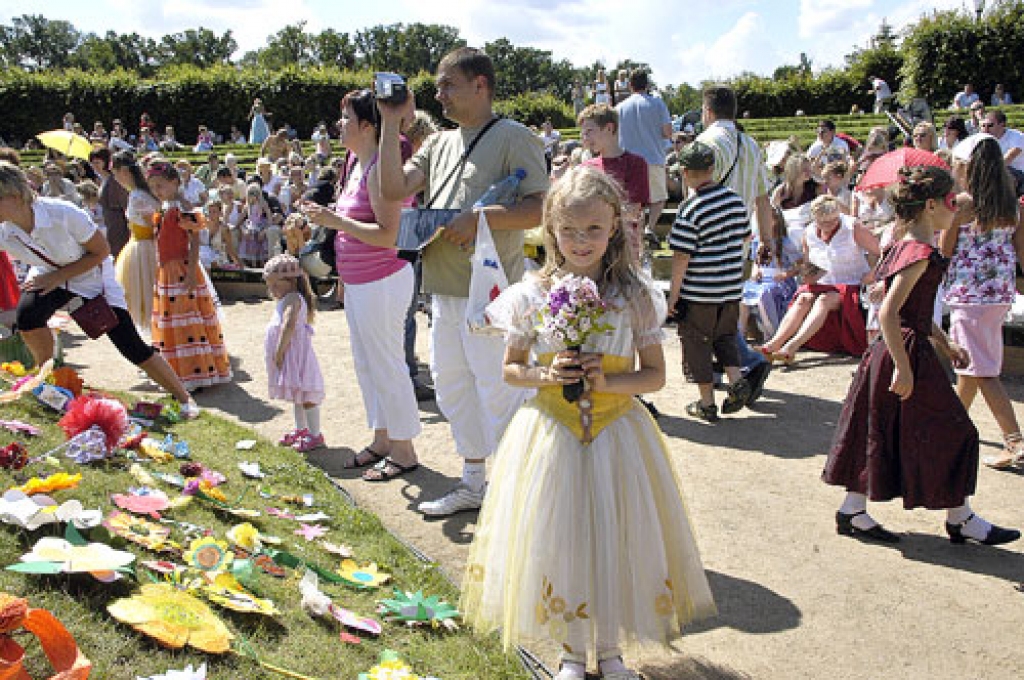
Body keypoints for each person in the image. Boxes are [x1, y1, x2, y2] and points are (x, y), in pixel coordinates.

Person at [460, 166, 716, 680]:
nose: (581, 241)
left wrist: (609, 379)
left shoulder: (634, 295)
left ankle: (611, 650)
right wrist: (549, 373)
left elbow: (655, 377)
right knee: (563, 543)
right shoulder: (530, 294)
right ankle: (572, 653)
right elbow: (512, 370)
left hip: (616, 434)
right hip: (552, 435)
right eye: (569, 230)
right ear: (551, 229)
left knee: (616, 540)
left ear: (614, 228)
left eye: (593, 230)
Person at [378, 46, 549, 517]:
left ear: (481, 85)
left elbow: (540, 208)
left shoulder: (515, 136)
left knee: (501, 388)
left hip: (494, 292)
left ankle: (523, 490)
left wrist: (483, 219)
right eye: (437, 85)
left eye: (448, 84)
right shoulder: (437, 143)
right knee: (453, 387)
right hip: (445, 288)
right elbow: (393, 189)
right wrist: (391, 125)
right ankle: (474, 483)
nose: (439, 94)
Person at [823, 165, 1019, 547]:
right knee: (955, 430)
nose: (955, 208)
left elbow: (912, 311)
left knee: (879, 430)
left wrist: (946, 343)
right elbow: (889, 313)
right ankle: (960, 519)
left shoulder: (908, 244)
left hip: (898, 350)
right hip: (903, 353)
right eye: (949, 201)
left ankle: (853, 509)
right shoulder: (918, 252)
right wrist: (903, 367)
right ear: (931, 205)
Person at [0, 161, 199, 417]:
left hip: (92, 276)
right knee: (28, 315)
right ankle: (47, 381)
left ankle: (184, 398)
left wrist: (57, 277)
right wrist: (53, 279)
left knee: (129, 344)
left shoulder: (62, 213)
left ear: (15, 196)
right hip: (49, 275)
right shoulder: (5, 231)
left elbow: (101, 251)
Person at [301, 89, 421, 482]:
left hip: (382, 279)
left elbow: (389, 235)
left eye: (346, 118)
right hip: (360, 281)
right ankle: (383, 438)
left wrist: (336, 222)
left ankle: (404, 450)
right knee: (368, 364)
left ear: (367, 126)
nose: (338, 125)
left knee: (387, 364)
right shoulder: (355, 163)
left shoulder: (377, 171)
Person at [939, 136, 1024, 470]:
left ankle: (1014, 441)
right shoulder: (1011, 204)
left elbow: (944, 250)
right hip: (999, 293)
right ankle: (949, 427)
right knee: (972, 366)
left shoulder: (961, 203)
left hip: (968, 293)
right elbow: (1021, 251)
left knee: (981, 369)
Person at [696, 84, 774, 405]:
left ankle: (751, 363)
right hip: (739, 241)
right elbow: (762, 197)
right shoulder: (751, 144)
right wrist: (766, 239)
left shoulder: (706, 143)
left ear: (708, 111)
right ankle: (716, 371)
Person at [667, 141, 753, 422]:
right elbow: (744, 237)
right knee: (725, 337)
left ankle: (707, 403)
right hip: (729, 289)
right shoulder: (734, 199)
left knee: (697, 344)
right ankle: (737, 380)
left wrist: (673, 296)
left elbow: (681, 257)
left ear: (685, 172)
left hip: (699, 293)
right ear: (712, 168)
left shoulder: (691, 209)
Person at [758, 195, 880, 362]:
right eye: (823, 222)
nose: (829, 226)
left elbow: (883, 254)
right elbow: (808, 264)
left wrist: (872, 274)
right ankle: (773, 344)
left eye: (833, 221)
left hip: (852, 285)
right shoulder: (809, 232)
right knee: (803, 299)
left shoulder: (852, 227)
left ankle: (791, 347)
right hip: (823, 283)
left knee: (824, 300)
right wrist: (807, 275)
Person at [145, 161, 232, 392]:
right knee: (173, 320)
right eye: (153, 187)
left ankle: (196, 372)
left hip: (182, 268)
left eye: (161, 185)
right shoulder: (164, 208)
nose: (157, 191)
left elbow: (194, 240)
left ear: (175, 183)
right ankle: (178, 371)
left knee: (187, 317)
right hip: (166, 269)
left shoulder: (183, 207)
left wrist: (192, 271)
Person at [261, 254, 326, 452]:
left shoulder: (293, 299)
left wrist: (279, 352)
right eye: (269, 285)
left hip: (295, 355)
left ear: (291, 281)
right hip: (292, 354)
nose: (272, 290)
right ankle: (302, 429)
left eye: (275, 285)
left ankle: (315, 434)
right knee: (298, 395)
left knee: (306, 395)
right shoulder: (287, 297)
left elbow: (288, 325)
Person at [578, 103, 648, 263]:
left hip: (624, 248)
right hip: (592, 248)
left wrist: (595, 219)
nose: (585, 139)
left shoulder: (635, 164)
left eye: (589, 132)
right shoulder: (585, 168)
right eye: (583, 134)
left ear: (609, 128)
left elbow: (633, 210)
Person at [615, 69, 672, 245]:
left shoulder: (619, 108)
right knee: (659, 198)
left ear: (630, 85)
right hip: (653, 158)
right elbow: (667, 132)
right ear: (647, 84)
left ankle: (635, 233)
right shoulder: (658, 104)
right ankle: (650, 227)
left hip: (628, 162)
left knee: (633, 201)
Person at [111, 151, 159, 335]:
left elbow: (153, 223)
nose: (116, 179)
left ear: (124, 171)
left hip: (144, 246)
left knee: (146, 291)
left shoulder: (138, 196)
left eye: (116, 173)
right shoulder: (140, 194)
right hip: (140, 244)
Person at [741, 206, 801, 340]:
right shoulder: (757, 241)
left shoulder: (785, 242)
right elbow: (756, 262)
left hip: (780, 281)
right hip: (763, 278)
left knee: (765, 294)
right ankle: (741, 332)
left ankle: (773, 333)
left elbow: (800, 266)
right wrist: (755, 272)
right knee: (744, 292)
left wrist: (786, 274)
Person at [90, 148, 130, 259]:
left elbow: (123, 204)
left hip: (118, 224)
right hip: (108, 221)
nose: (94, 165)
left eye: (98, 162)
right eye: (92, 163)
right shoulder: (104, 179)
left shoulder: (114, 180)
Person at [238, 182, 272, 267]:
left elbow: (269, 216)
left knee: (256, 235)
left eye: (255, 193)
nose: (253, 196)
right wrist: (238, 226)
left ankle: (261, 262)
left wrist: (267, 227)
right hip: (251, 224)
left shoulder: (262, 204)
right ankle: (250, 262)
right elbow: (241, 218)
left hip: (260, 223)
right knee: (249, 233)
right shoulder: (247, 206)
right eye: (250, 193)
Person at [980, 109, 1024, 174]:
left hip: (1017, 174)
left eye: (990, 125)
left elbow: (1008, 159)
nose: (985, 129)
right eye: (983, 126)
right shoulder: (982, 138)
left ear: (1002, 124)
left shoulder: (1017, 136)